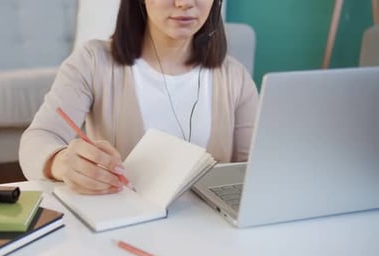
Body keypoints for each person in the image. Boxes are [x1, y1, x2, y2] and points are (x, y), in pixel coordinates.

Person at [19, 0, 258, 195]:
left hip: (212, 234)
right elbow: (38, 138)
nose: (184, 3)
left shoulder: (235, 76)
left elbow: (255, 169)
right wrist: (60, 162)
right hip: (124, 230)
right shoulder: (93, 62)